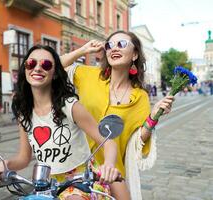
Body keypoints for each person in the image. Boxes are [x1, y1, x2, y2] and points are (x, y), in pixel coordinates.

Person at [0, 45, 120, 199]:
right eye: (31, 63)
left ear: (55, 74)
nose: (37, 68)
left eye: (46, 65)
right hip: (46, 185)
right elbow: (24, 158)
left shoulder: (70, 106)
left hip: (82, 182)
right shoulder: (24, 112)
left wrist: (108, 166)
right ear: (25, 69)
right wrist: (4, 165)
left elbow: (109, 142)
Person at [60, 30, 174, 200]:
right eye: (109, 45)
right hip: (75, 165)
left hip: (110, 172)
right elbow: (54, 66)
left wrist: (154, 116)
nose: (114, 48)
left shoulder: (140, 96)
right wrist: (82, 50)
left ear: (134, 54)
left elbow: (137, 141)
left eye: (121, 44)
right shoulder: (89, 75)